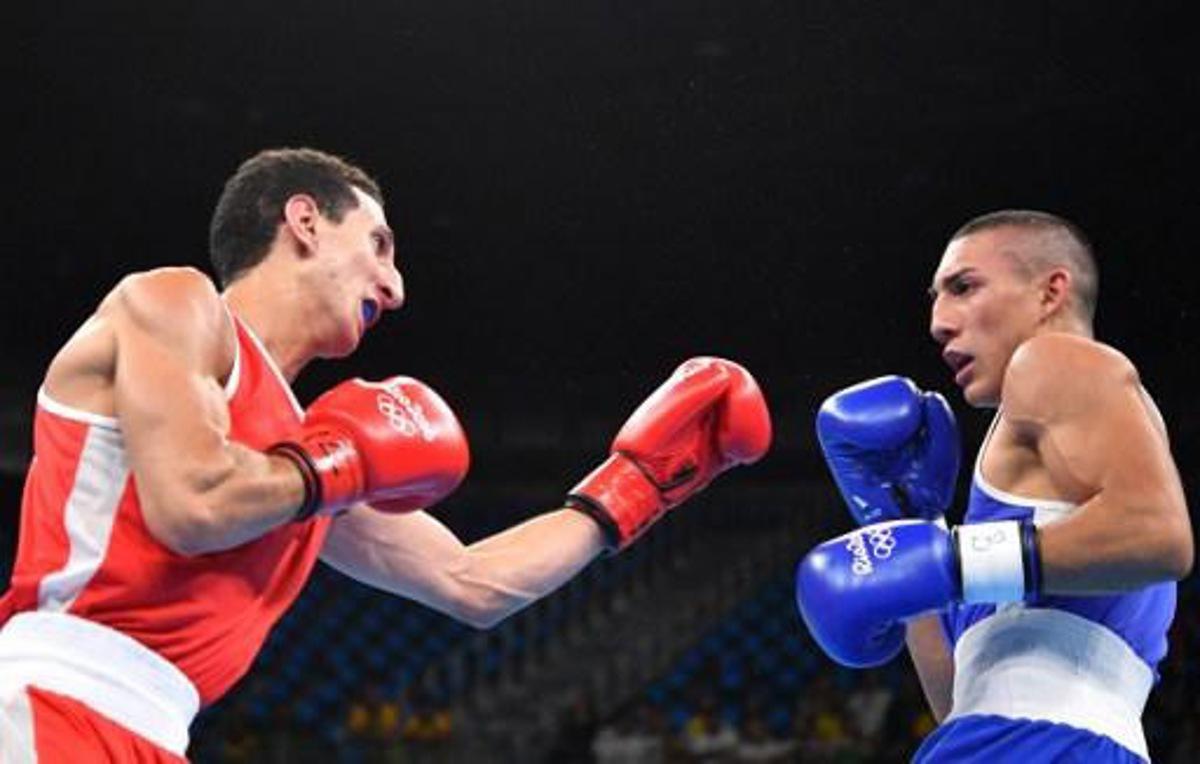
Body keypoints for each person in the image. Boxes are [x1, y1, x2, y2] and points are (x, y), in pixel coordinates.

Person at [0, 147, 772, 762]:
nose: (395, 286)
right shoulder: (173, 303)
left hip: (157, 732)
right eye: (377, 244)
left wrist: (635, 487)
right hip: (50, 698)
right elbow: (192, 505)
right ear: (303, 220)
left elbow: (474, 583)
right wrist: (333, 464)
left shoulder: (301, 454)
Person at [795, 210, 1192, 761]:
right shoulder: (1043, 465)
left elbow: (1157, 534)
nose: (938, 320)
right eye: (935, 296)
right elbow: (961, 699)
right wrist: (903, 529)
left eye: (963, 286)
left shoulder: (1055, 361)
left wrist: (952, 559)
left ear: (1051, 291)